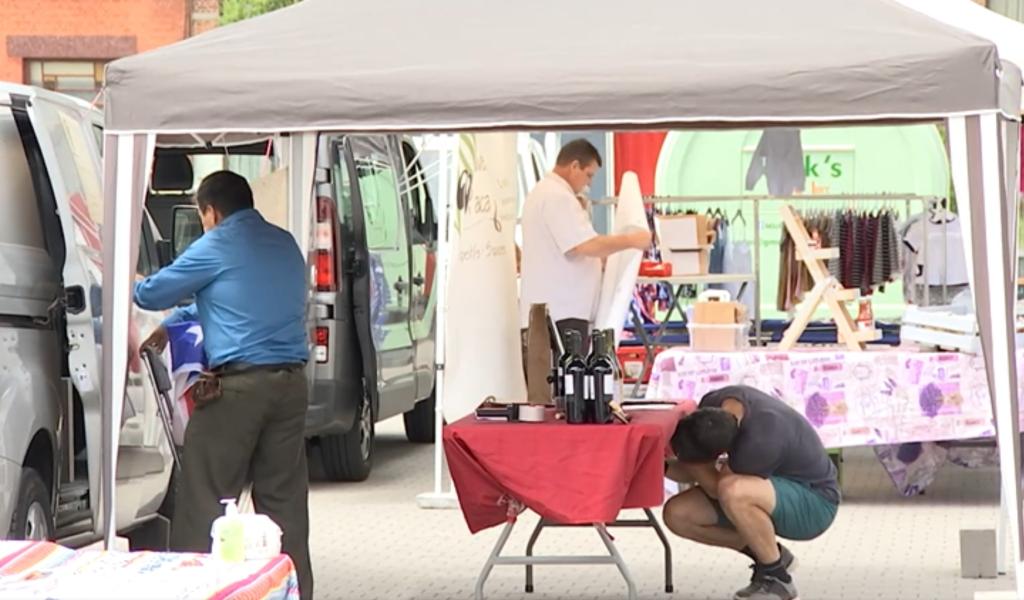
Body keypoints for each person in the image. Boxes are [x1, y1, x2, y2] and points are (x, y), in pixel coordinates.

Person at [134, 171, 313, 599]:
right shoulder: (284, 243)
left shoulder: (216, 244)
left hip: (239, 388)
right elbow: (236, 296)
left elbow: (153, 294)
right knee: (284, 506)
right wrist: (175, 324)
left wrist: (131, 280)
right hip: (290, 387)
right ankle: (295, 591)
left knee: (205, 498)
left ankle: (195, 590)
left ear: (210, 212)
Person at [663, 385, 840, 600]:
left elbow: (715, 487)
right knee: (678, 514)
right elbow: (696, 470)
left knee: (734, 491)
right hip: (769, 488)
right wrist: (660, 466)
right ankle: (772, 556)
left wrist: (691, 463)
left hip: (815, 503)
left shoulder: (758, 443)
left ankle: (777, 580)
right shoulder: (715, 404)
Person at [518, 139, 651, 345]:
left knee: (553, 374)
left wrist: (600, 262)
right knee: (566, 376)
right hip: (561, 313)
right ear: (574, 166)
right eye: (589, 175)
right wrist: (632, 240)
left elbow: (574, 248)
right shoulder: (557, 197)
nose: (589, 183)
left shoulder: (544, 194)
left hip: (555, 310)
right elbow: (586, 245)